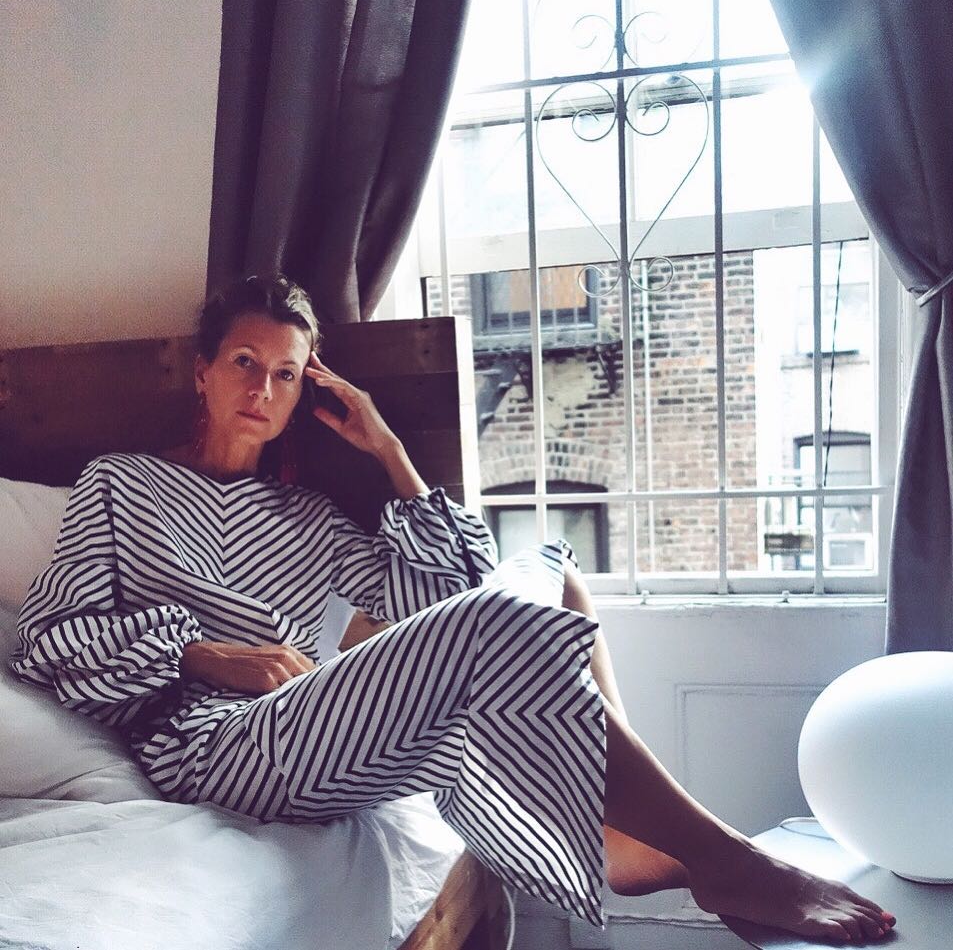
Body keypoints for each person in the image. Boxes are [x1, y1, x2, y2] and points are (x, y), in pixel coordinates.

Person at [11, 273, 896, 942]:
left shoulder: (309, 516)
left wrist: (390, 451)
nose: (264, 390)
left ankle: (621, 838)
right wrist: (205, 653)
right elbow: (45, 641)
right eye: (245, 363)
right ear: (203, 370)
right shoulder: (119, 485)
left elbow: (461, 599)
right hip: (214, 742)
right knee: (503, 616)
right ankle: (724, 858)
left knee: (548, 572)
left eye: (286, 374)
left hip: (320, 717)